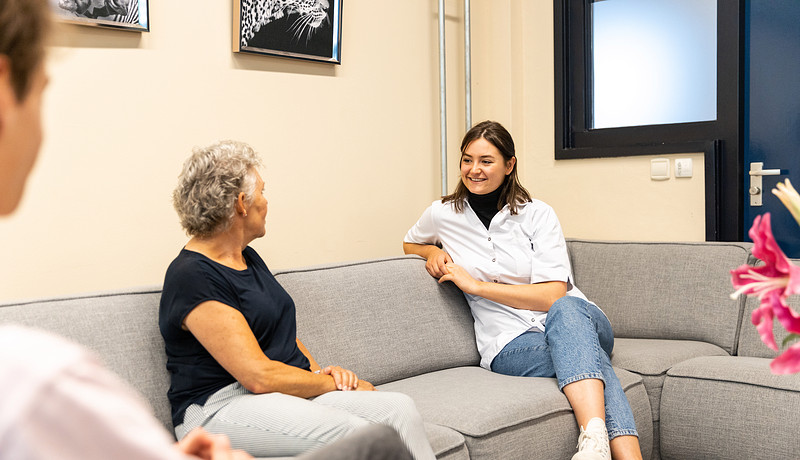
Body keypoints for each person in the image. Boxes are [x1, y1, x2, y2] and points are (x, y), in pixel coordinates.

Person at [159, 140, 435, 459]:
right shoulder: (192, 275)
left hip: (277, 392)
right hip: (219, 407)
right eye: (262, 192)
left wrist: (319, 374)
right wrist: (332, 385)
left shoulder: (247, 257)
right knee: (354, 434)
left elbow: (282, 334)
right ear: (241, 204)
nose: (267, 201)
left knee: (397, 410)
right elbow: (257, 375)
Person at [403, 121, 643, 460]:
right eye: (467, 160)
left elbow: (552, 296)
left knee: (567, 310)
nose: (474, 170)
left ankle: (595, 447)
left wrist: (476, 286)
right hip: (509, 343)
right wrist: (432, 251)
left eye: (486, 161)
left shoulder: (537, 214)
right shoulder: (442, 214)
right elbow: (410, 242)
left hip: (579, 319)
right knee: (588, 359)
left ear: (509, 165)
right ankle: (605, 446)